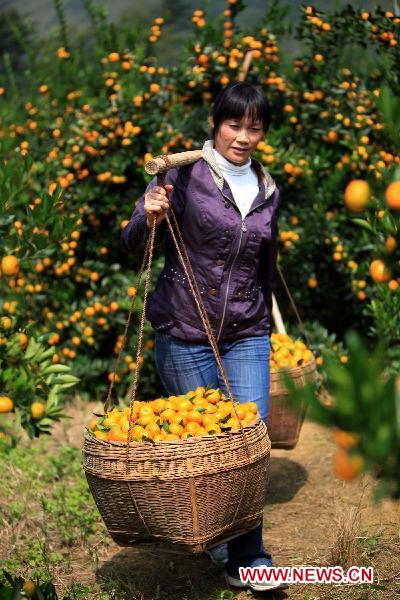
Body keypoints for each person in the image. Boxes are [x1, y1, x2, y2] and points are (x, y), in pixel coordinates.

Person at [121, 81, 286, 593]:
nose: (243, 136)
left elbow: (265, 265)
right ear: (216, 124)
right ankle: (218, 536)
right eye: (235, 125)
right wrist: (147, 215)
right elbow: (131, 244)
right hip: (186, 332)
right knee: (207, 444)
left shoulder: (268, 190)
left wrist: (267, 321)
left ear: (263, 133)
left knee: (248, 441)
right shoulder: (182, 176)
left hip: (247, 332)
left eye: (254, 127)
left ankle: (249, 556)